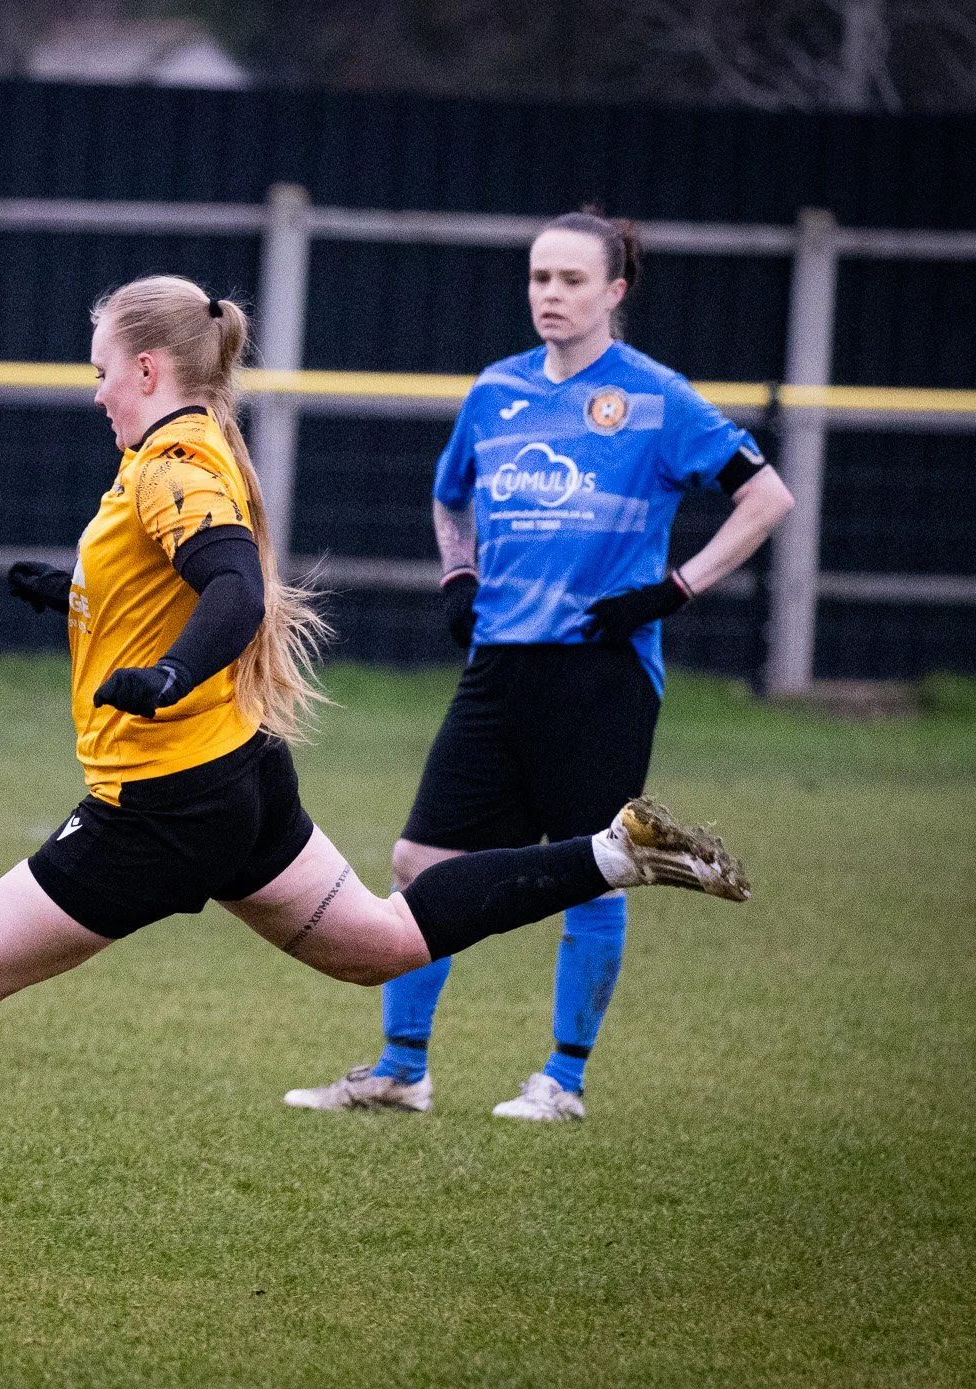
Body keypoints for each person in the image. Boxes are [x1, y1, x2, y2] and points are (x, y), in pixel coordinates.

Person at [0, 274, 752, 1254]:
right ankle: (613, 853)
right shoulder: (190, 450)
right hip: (236, 781)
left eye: (101, 369)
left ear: (147, 368)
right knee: (379, 943)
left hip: (158, 808)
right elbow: (173, 585)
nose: (95, 390)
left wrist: (171, 676)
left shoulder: (172, 465)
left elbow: (231, 589)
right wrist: (75, 595)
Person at [283, 210, 794, 1123]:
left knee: (597, 861)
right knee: (419, 857)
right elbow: (450, 497)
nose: (549, 295)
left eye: (569, 280)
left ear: (614, 291)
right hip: (498, 669)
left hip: (601, 671)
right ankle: (403, 1070)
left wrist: (675, 588)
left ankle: (563, 1081)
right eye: (538, 278)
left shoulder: (656, 396)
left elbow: (767, 497)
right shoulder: (497, 391)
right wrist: (457, 572)